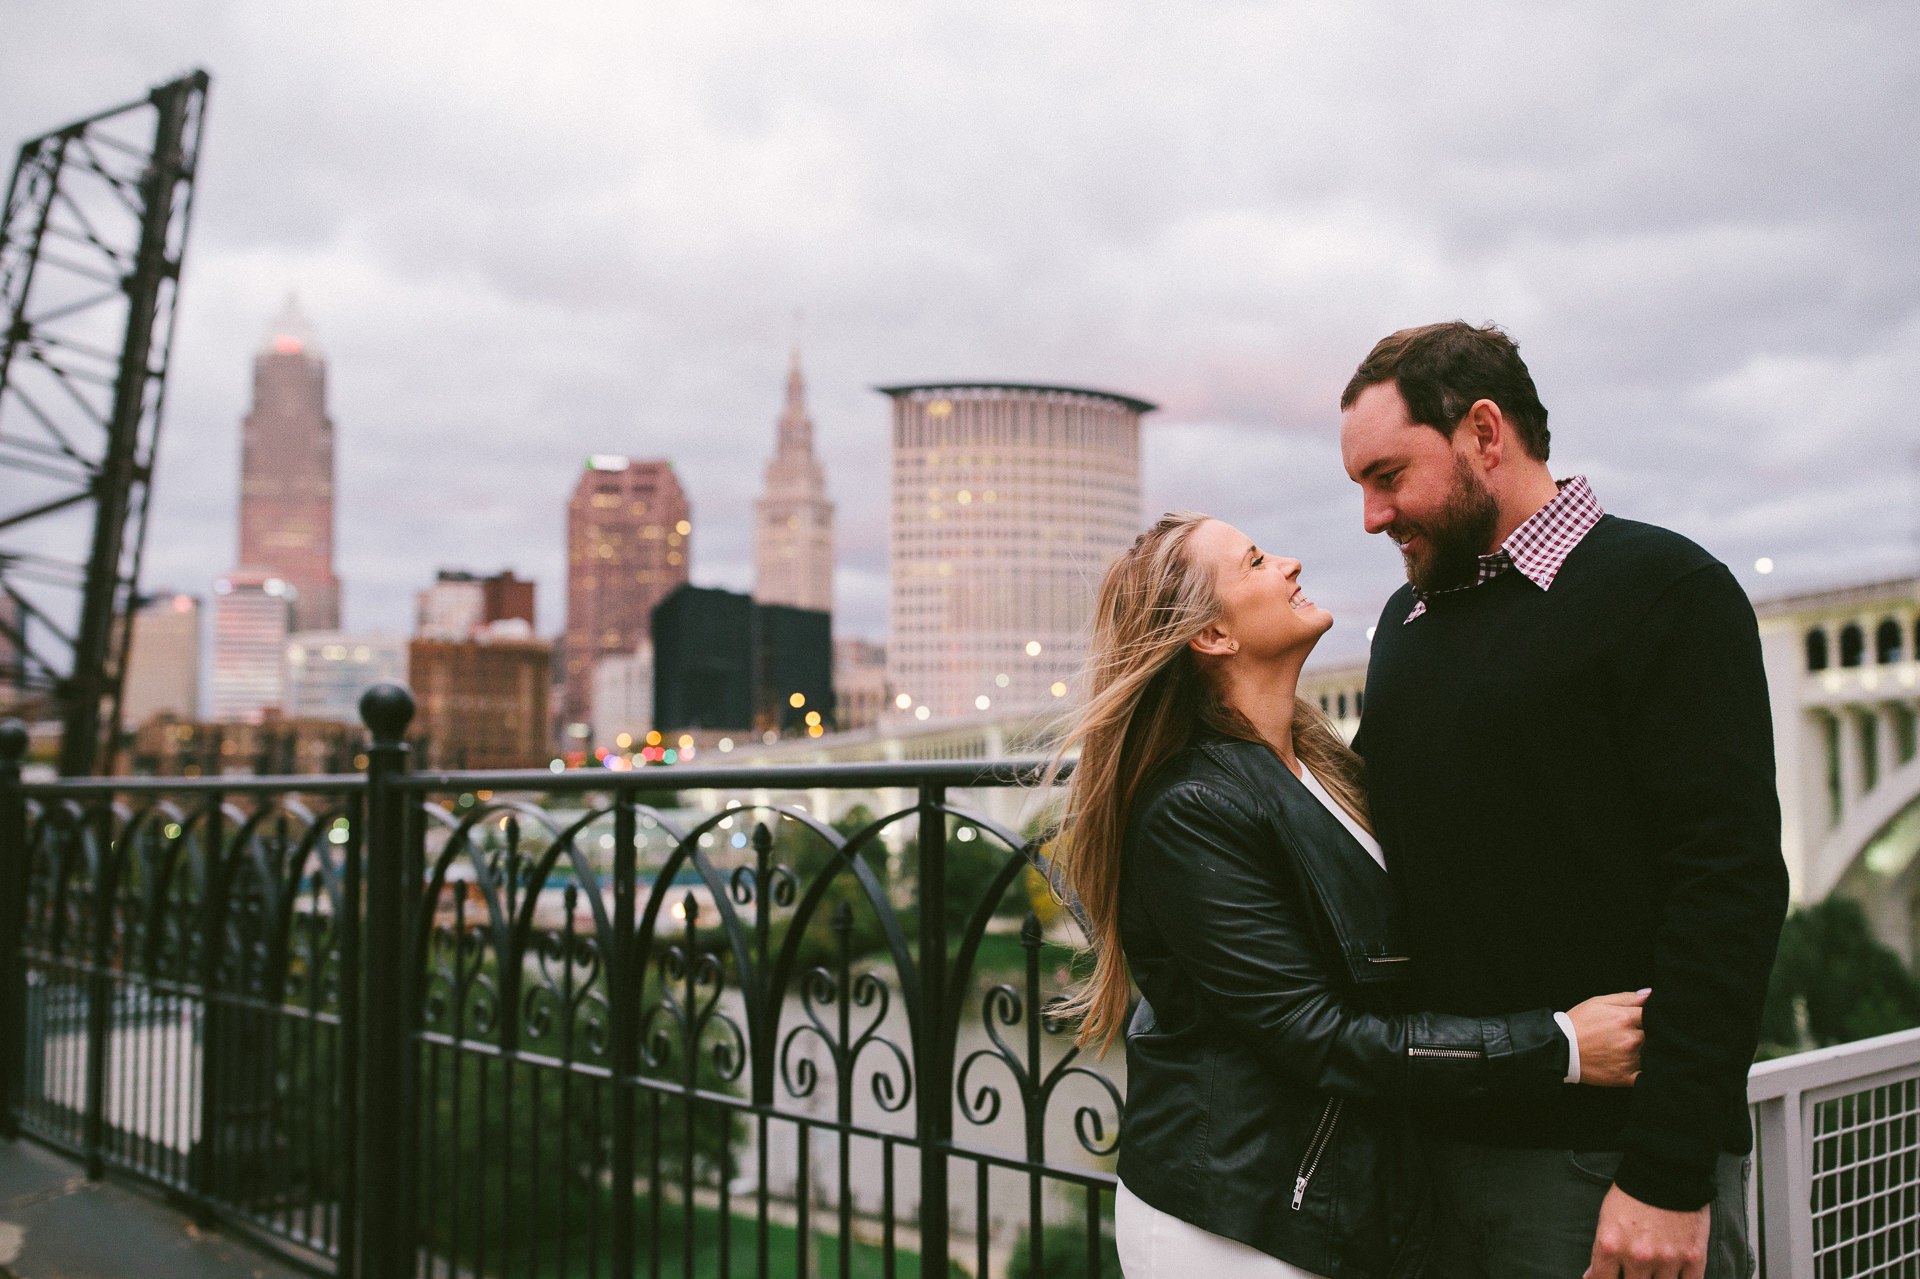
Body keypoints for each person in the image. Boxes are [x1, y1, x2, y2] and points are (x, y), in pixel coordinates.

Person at [1049, 512, 1649, 1278]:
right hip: (1236, 1223)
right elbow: (1319, 1033)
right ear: (1212, 636)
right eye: (1258, 560)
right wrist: (1556, 1045)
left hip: (1328, 1206)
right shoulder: (1192, 809)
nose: (1291, 563)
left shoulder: (1321, 767)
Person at [1338, 321, 1789, 1279]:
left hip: (1604, 1175)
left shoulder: (1666, 591)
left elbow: (1729, 891)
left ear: (1484, 434)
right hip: (1433, 1165)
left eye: (1388, 475)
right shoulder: (1406, 623)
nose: (1373, 517)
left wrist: (1667, 1171)